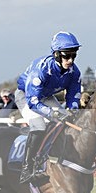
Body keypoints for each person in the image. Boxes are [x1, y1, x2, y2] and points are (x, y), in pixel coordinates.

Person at [15, 31, 83, 183]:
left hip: (46, 97)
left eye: (73, 55)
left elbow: (73, 95)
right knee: (39, 126)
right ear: (57, 54)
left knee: (66, 120)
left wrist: (72, 109)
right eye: (66, 56)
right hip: (26, 96)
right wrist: (51, 113)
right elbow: (33, 101)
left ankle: (55, 158)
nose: (70, 60)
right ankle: (27, 168)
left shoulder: (74, 72)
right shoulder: (42, 69)